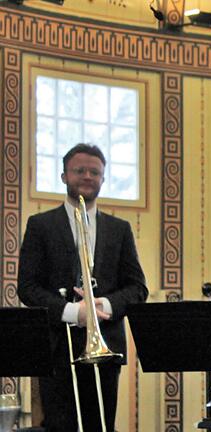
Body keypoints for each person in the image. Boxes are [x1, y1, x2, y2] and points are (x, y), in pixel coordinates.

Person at [18, 143, 148, 432]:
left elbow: (138, 288)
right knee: (60, 425)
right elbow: (27, 287)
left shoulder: (120, 229)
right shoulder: (40, 225)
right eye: (79, 170)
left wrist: (104, 306)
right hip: (57, 347)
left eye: (95, 172)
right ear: (64, 176)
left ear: (103, 179)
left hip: (106, 346)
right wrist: (71, 312)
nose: (87, 176)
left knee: (100, 425)